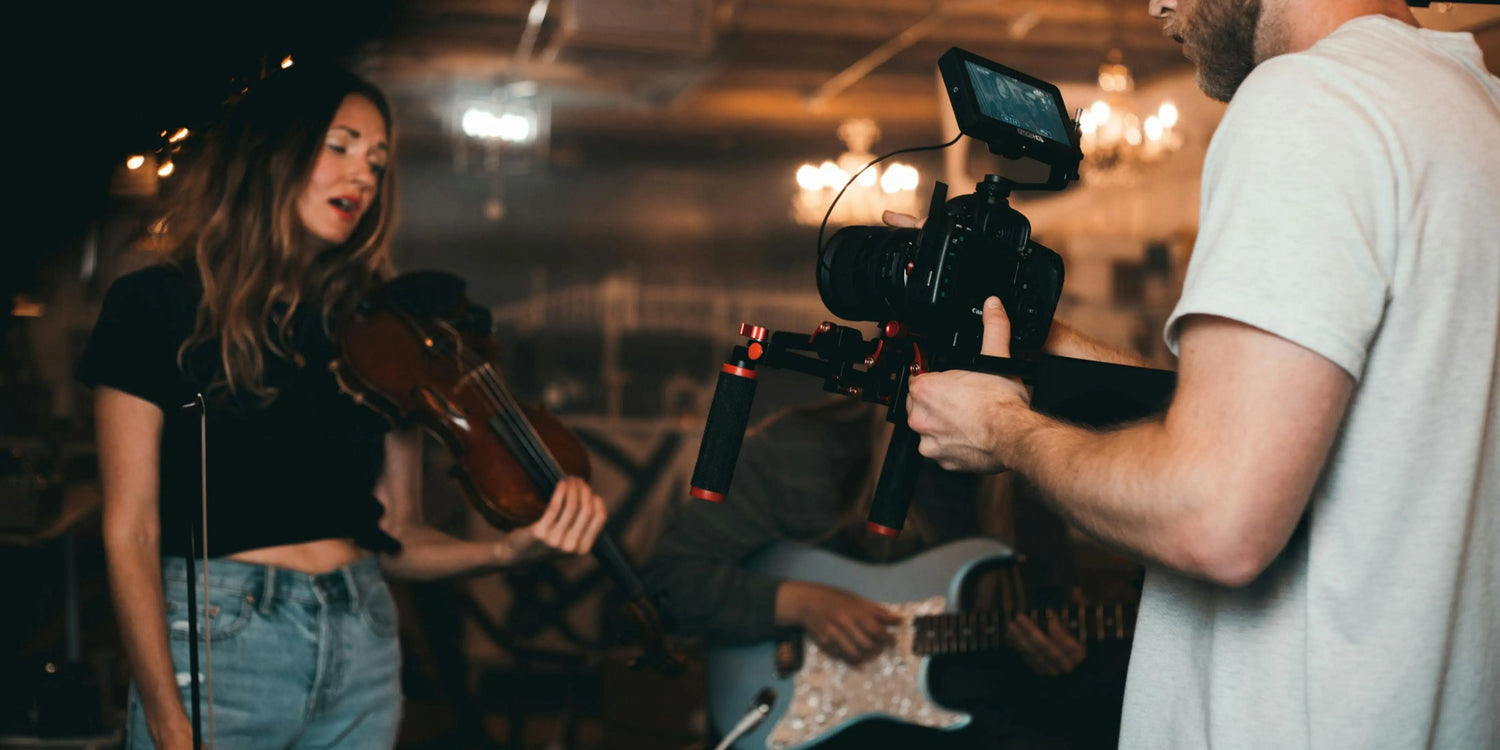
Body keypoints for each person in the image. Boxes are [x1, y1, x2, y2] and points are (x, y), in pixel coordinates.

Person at [900, 1, 1499, 748]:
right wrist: (1041, 340)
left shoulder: (1309, 100)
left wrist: (1002, 429)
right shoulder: (1471, 106)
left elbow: (1214, 515)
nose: (1156, 5)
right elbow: (1280, 426)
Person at [77, 63, 609, 750]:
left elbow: (399, 537)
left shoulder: (378, 333)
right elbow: (131, 531)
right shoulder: (154, 304)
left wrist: (508, 549)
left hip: (361, 637)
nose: (363, 174)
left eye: (378, 162)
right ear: (272, 150)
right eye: (341, 145)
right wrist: (167, 721)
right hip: (220, 643)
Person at [644, 397, 1137, 748]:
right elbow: (667, 584)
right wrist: (800, 603)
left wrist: (1058, 662)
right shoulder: (797, 449)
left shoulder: (1034, 475)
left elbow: (1052, 632)